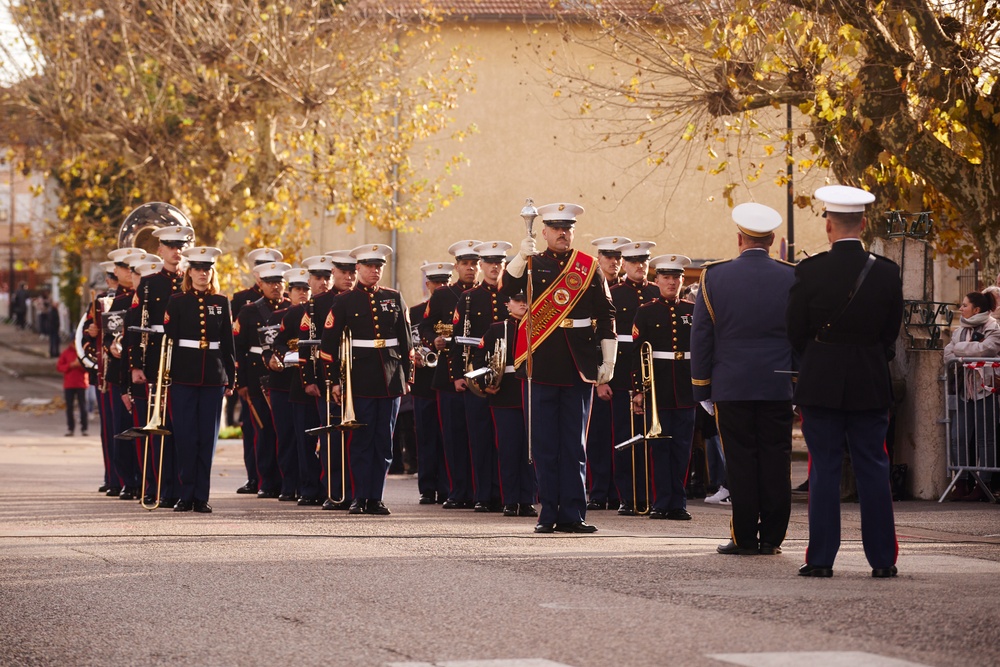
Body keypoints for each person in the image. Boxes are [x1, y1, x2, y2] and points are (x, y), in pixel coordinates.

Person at [787, 184, 904, 579]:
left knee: (824, 470)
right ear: (865, 223)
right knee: (873, 467)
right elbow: (891, 332)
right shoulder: (887, 273)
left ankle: (821, 558)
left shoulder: (810, 270)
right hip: (870, 378)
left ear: (828, 226)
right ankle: (883, 560)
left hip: (821, 378)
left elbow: (795, 330)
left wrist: (820, 356)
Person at [500, 202, 616, 534]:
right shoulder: (533, 263)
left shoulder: (588, 266)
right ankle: (548, 512)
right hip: (541, 362)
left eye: (568, 228)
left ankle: (574, 513)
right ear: (545, 232)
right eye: (556, 228)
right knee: (546, 445)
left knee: (574, 445)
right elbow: (505, 292)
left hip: (578, 364)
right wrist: (520, 259)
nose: (563, 233)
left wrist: (609, 357)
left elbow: (606, 313)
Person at [691, 202, 795, 554]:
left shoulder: (714, 276)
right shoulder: (792, 276)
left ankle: (745, 537)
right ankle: (773, 539)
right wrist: (795, 380)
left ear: (739, 238)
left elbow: (702, 336)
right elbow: (800, 335)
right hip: (778, 383)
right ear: (772, 239)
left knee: (740, 461)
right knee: (776, 459)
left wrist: (701, 386)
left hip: (731, 383)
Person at [319, 244, 412, 516]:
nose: (375, 271)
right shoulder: (344, 301)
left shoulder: (394, 298)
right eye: (369, 266)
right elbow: (328, 345)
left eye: (379, 266)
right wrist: (334, 381)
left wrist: (408, 376)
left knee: (384, 441)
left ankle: (376, 497)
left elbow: (406, 341)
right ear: (357, 268)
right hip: (358, 379)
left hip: (391, 377)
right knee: (361, 442)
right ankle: (359, 497)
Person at [164, 246, 236, 513]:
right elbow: (168, 340)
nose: (203, 274)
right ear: (190, 272)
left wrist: (231, 377)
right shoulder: (177, 301)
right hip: (183, 375)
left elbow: (228, 343)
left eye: (207, 269)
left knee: (207, 438)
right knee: (185, 437)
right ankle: (185, 494)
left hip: (213, 377)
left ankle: (201, 496)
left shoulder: (221, 302)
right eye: (198, 269)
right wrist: (165, 375)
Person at [130, 215, 194, 509]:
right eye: (170, 246)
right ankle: (161, 488)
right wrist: (136, 365)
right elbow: (136, 326)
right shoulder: (148, 284)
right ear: (161, 248)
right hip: (157, 359)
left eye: (180, 246)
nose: (175, 251)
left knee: (182, 428)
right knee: (159, 428)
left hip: (184, 360)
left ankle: (183, 488)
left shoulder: (191, 281)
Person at [630, 253, 697, 521]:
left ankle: (678, 502)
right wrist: (638, 390)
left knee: (683, 448)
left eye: (676, 277)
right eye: (666, 277)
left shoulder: (693, 311)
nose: (672, 282)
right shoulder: (646, 311)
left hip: (685, 386)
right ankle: (660, 501)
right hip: (657, 388)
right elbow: (637, 352)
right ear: (655, 280)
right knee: (659, 449)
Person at [418, 240, 480, 509]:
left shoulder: (485, 294)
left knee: (479, 436)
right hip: (447, 375)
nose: (470, 268)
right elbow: (425, 326)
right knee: (453, 437)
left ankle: (481, 491)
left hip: (479, 374)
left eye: (474, 264)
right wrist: (434, 341)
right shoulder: (443, 295)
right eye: (465, 264)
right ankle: (457, 491)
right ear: (456, 266)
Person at [450, 240, 512, 513]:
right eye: (489, 263)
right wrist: (458, 374)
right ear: (481, 266)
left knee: (508, 437)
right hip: (477, 372)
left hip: (508, 373)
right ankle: (483, 494)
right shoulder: (469, 297)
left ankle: (506, 493)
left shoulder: (514, 293)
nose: (494, 267)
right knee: (480, 436)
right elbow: (457, 339)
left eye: (499, 263)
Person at [608, 241, 659, 515]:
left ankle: (653, 495)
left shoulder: (655, 292)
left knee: (653, 439)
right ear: (624, 264)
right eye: (634, 262)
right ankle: (627, 497)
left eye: (644, 261)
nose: (640, 266)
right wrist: (602, 379)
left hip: (654, 379)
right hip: (621, 377)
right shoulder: (613, 293)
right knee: (626, 438)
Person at [233, 260, 291, 500]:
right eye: (270, 282)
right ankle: (266, 481)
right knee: (263, 431)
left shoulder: (291, 307)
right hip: (257, 377)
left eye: (279, 282)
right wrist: (242, 383)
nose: (275, 287)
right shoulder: (248, 311)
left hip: (285, 375)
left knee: (285, 431)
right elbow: (239, 348)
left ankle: (287, 479)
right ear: (261, 284)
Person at [586, 236, 635, 511]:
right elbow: (592, 336)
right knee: (598, 437)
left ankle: (619, 492)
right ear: (599, 259)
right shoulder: (593, 289)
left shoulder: (631, 292)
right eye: (608, 256)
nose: (614, 262)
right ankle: (598, 491)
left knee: (623, 437)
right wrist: (597, 378)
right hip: (602, 375)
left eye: (618, 257)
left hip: (626, 373)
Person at [478, 291, 536, 517]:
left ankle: (529, 499)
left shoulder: (540, 327)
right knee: (509, 450)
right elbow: (479, 359)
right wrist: (486, 383)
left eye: (526, 300)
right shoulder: (496, 329)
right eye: (517, 300)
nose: (522, 304)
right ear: (507, 304)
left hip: (532, 392)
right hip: (505, 394)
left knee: (530, 451)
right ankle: (510, 500)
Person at [942, 290, 1000, 501]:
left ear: (976, 309)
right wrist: (966, 350)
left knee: (986, 438)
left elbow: (988, 349)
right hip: (963, 391)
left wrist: (959, 350)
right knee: (958, 437)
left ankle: (983, 484)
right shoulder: (959, 330)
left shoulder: (993, 327)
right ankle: (961, 482)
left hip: (985, 390)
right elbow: (947, 353)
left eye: (964, 305)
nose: (961, 308)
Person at [409, 262, 453, 505]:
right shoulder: (415, 312)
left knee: (447, 435)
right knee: (426, 435)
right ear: (429, 285)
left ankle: (447, 487)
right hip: (424, 381)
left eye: (446, 282)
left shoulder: (455, 308)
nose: (442, 287)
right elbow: (408, 342)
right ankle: (427, 487)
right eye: (437, 283)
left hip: (446, 378)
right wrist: (414, 354)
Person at [57, 342, 89, 437]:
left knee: (83, 407)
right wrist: (70, 365)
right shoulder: (66, 353)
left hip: (81, 383)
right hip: (69, 384)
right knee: (69, 407)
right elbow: (59, 367)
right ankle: (70, 428)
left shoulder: (83, 352)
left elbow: (89, 367)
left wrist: (79, 365)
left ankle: (84, 428)